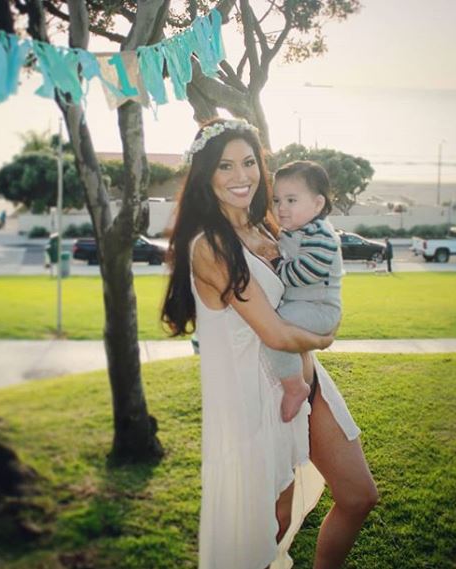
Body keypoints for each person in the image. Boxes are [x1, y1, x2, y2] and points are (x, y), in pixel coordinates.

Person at [161, 118, 377, 569]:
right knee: (269, 525)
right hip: (259, 394)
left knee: (358, 496)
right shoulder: (210, 247)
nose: (241, 176)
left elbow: (311, 278)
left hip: (306, 377)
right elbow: (274, 333)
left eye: (248, 163)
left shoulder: (270, 225)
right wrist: (326, 335)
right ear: (207, 176)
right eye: (225, 166)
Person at [265, 161, 343, 423]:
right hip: (306, 306)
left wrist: (274, 264)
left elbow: (304, 273)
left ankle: (294, 386)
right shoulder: (296, 230)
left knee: (274, 330)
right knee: (274, 327)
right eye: (277, 200)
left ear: (318, 204)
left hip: (320, 309)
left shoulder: (320, 233)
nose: (281, 208)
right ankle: (296, 380)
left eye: (291, 200)